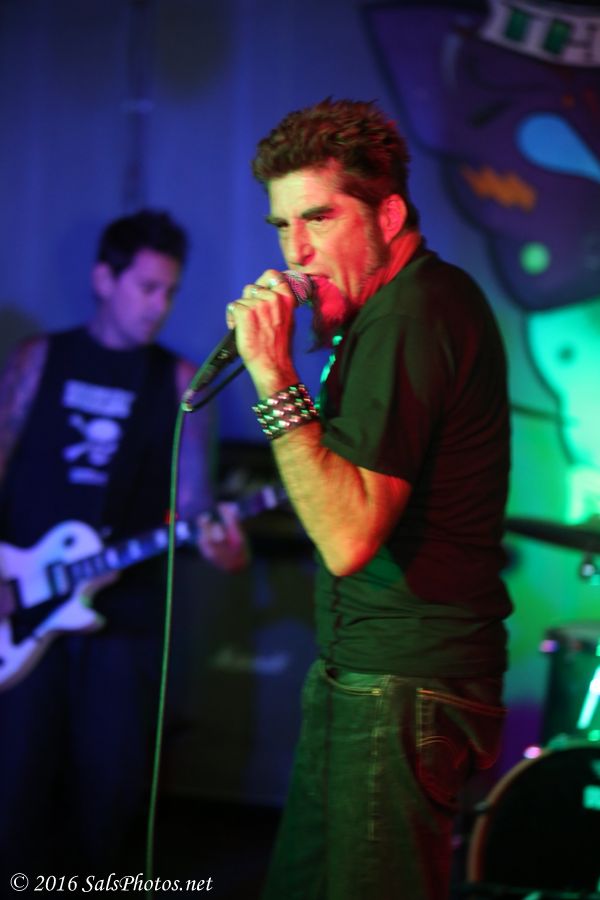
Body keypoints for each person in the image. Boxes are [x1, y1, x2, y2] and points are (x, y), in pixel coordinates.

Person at [226, 98, 512, 900]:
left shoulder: (409, 315)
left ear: (387, 214)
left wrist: (275, 376)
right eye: (283, 226)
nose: (298, 251)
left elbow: (348, 536)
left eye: (319, 217)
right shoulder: (392, 312)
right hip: (372, 675)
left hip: (400, 683)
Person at [0, 209, 248, 878]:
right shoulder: (38, 359)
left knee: (107, 802)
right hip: (22, 605)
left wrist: (222, 544)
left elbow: (194, 506)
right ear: (103, 279)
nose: (159, 306)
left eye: (170, 291)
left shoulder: (180, 381)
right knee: (14, 791)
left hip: (125, 621)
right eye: (146, 287)